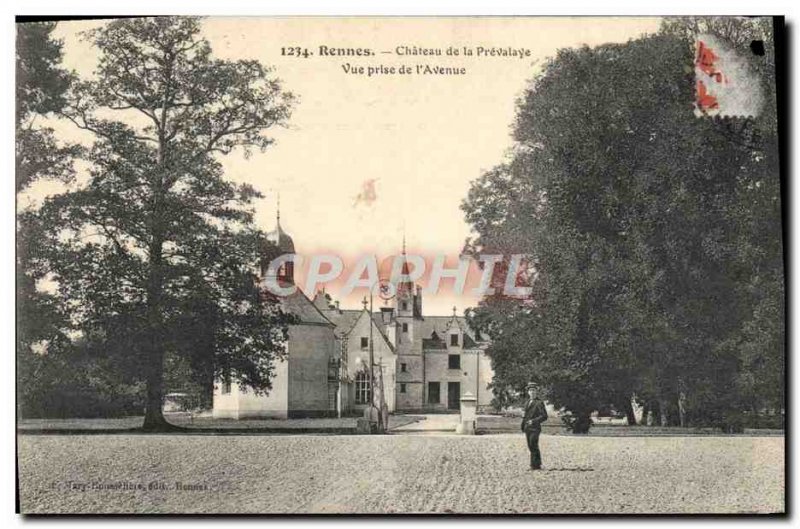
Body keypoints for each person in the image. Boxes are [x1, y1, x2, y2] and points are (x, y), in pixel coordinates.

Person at [521, 383, 548, 470]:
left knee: (533, 445)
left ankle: (535, 465)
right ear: (528, 392)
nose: (532, 392)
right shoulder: (527, 402)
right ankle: (536, 463)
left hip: (535, 428)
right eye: (530, 390)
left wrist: (533, 421)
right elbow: (526, 415)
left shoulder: (539, 403)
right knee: (530, 446)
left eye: (534, 390)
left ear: (536, 392)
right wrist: (523, 420)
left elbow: (544, 416)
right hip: (527, 427)